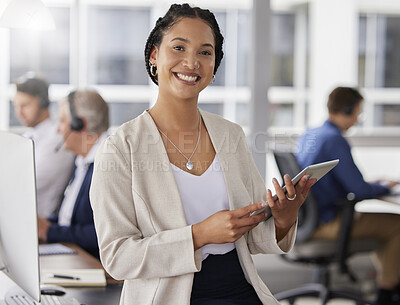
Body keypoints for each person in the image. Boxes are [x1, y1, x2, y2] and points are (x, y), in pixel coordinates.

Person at [90, 4, 316, 305]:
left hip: (241, 290)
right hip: (167, 297)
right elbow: (118, 258)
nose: (191, 62)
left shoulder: (231, 135)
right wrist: (199, 235)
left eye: (205, 52)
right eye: (179, 47)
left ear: (214, 65)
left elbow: (251, 237)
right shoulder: (121, 148)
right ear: (154, 56)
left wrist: (284, 219)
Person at [296, 86, 400, 305]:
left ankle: (387, 283)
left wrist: (372, 184)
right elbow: (359, 190)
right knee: (396, 225)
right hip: (328, 222)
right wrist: (386, 188)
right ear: (347, 108)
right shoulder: (334, 139)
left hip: (305, 221)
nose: (357, 119)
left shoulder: (312, 134)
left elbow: (336, 180)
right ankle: (387, 294)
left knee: (383, 228)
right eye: (358, 112)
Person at [37, 89, 109, 258]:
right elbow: (71, 220)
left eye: (62, 121)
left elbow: (103, 233)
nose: (58, 129)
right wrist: (45, 224)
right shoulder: (83, 162)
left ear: (80, 124)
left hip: (96, 267)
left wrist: (50, 231)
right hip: (78, 258)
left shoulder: (106, 164)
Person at [13, 73, 75, 218]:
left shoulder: (57, 139)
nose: (19, 112)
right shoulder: (29, 136)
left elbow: (26, 184)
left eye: (25, 105)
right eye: (16, 106)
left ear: (42, 102)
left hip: (39, 224)